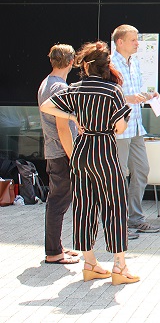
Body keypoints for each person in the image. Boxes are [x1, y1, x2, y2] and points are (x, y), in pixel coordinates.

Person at [40, 41, 139, 285]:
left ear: (86, 65)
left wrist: (75, 115)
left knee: (85, 206)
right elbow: (120, 127)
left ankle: (91, 263)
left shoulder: (75, 87)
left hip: (81, 150)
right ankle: (119, 266)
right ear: (107, 65)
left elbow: (46, 106)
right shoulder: (113, 90)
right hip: (104, 149)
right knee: (114, 206)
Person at [111, 24, 160, 238]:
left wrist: (147, 96)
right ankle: (117, 224)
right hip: (120, 129)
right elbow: (106, 95)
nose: (137, 43)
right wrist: (127, 99)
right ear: (120, 42)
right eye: (133, 40)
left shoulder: (135, 62)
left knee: (141, 170)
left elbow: (134, 92)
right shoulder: (109, 64)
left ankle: (135, 218)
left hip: (136, 127)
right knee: (119, 175)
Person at [38, 44, 80, 265]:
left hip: (52, 151)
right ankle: (54, 252)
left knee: (56, 200)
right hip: (61, 152)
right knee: (58, 202)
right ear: (71, 62)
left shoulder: (47, 83)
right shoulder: (61, 89)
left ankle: (57, 247)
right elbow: (63, 128)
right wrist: (73, 156)